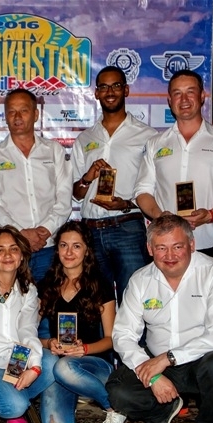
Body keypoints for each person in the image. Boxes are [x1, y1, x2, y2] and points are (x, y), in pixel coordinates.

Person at [106, 215, 213, 423]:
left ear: (191, 244)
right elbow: (123, 334)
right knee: (119, 392)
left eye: (177, 246)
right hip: (158, 362)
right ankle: (163, 409)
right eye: (161, 248)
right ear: (150, 249)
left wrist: (167, 358)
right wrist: (153, 374)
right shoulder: (140, 280)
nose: (170, 255)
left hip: (203, 360)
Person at [71, 66, 156, 304]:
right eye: (104, 87)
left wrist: (126, 204)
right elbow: (76, 194)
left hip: (128, 227)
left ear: (126, 90)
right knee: (96, 303)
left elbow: (154, 190)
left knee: (134, 300)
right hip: (91, 230)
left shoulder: (148, 136)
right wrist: (87, 178)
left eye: (116, 85)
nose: (110, 92)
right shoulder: (85, 138)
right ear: (96, 93)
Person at [134, 70, 213, 264]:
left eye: (190, 91)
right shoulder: (155, 143)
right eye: (177, 93)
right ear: (169, 100)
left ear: (202, 96)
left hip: (211, 241)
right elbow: (142, 191)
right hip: (166, 245)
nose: (184, 99)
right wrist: (161, 217)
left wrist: (210, 215)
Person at [37, 221, 123, 423]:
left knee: (65, 367)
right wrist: (48, 343)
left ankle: (114, 407)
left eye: (76, 246)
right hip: (59, 365)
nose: (69, 252)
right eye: (63, 245)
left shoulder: (100, 285)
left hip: (94, 364)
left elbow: (111, 339)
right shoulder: (47, 284)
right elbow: (29, 331)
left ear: (87, 250)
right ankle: (77, 392)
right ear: (56, 249)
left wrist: (84, 349)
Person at [0, 88, 73, 283]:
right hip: (12, 252)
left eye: (23, 110)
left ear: (36, 114)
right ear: (5, 116)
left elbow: (64, 197)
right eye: (11, 111)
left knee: (48, 301)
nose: (17, 117)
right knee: (13, 301)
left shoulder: (54, 150)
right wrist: (20, 235)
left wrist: (46, 229)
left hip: (49, 246)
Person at [0, 226, 56, 423]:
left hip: (15, 360)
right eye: (0, 250)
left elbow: (27, 330)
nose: (7, 255)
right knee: (15, 406)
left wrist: (34, 367)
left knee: (51, 363)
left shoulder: (28, 290)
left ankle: (10, 397)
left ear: (21, 257)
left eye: (13, 249)